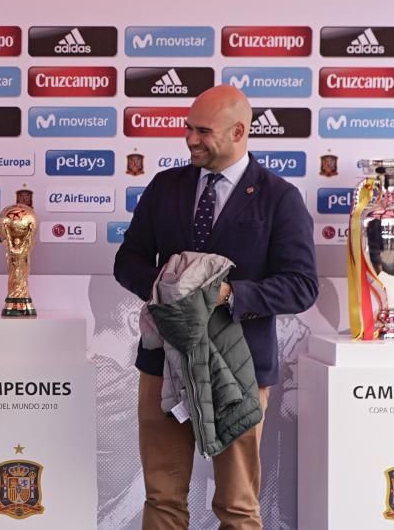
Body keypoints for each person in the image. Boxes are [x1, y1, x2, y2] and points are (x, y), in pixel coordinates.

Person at [113, 85, 318, 530]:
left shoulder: (279, 197)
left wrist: (226, 295)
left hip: (238, 368)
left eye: (202, 131)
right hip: (162, 361)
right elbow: (126, 259)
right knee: (163, 498)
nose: (190, 139)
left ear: (239, 131)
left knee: (238, 505)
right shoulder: (165, 186)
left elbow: (301, 286)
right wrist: (167, 288)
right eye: (188, 128)